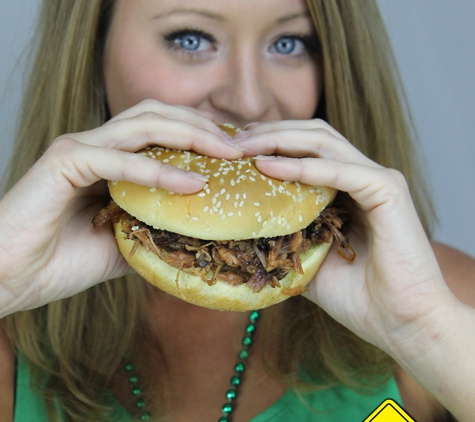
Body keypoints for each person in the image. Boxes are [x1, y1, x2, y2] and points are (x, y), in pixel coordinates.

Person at [0, 0, 474, 421]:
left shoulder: (443, 301)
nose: (248, 99)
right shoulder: (11, 337)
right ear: (92, 49)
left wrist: (423, 333)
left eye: (289, 42)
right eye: (191, 39)